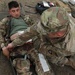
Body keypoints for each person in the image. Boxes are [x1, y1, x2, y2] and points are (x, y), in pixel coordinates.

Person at [6, 6, 75, 74]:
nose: (16, 13)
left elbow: (55, 55)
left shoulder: (70, 46)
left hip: (66, 48)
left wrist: (67, 61)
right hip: (32, 45)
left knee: (50, 61)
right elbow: (30, 32)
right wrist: (13, 44)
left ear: (58, 34)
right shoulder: (56, 19)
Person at [0, 1, 33, 75]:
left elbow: (35, 28)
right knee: (23, 71)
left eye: (17, 10)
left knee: (45, 69)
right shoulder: (6, 21)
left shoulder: (26, 18)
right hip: (18, 48)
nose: (16, 13)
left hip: (32, 45)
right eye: (13, 11)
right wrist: (3, 47)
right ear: (9, 12)